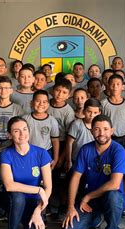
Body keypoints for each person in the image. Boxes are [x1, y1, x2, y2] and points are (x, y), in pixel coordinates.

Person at [62, 115, 125, 229]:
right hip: (92, 202)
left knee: (113, 195)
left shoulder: (118, 150)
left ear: (112, 131)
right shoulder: (86, 149)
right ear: (91, 131)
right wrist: (71, 206)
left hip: (112, 199)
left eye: (105, 129)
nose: (101, 133)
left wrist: (88, 197)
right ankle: (97, 219)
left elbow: (115, 184)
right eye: (97, 129)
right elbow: (75, 177)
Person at [0, 117, 52, 229]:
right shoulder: (6, 154)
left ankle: (23, 217)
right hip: (13, 199)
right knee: (18, 197)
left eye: (24, 129)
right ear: (10, 135)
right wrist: (38, 190)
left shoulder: (41, 153)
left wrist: (38, 210)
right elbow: (9, 185)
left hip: (33, 202)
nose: (22, 134)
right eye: (16, 131)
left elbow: (48, 188)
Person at [0, 76, 24, 224]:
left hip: (12, 146)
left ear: (11, 90)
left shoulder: (17, 108)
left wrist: (11, 144)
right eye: (0, 88)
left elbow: (20, 130)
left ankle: (12, 210)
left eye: (6, 88)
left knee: (13, 179)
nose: (3, 91)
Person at [101, 74, 125, 207]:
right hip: (108, 140)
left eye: (118, 84)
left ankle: (124, 202)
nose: (115, 87)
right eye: (112, 84)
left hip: (123, 139)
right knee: (107, 169)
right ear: (107, 86)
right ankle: (107, 199)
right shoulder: (104, 104)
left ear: (123, 87)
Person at [47, 79, 75, 220]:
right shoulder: (46, 105)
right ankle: (48, 206)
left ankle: (62, 207)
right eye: (57, 90)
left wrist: (62, 157)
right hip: (47, 145)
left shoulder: (68, 111)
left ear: (69, 95)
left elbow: (70, 137)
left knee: (62, 179)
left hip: (62, 145)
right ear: (52, 90)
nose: (59, 94)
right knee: (48, 178)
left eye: (64, 92)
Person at [22, 90, 60, 170]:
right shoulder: (25, 119)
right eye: (38, 101)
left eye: (44, 102)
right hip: (28, 152)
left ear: (48, 104)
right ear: (32, 103)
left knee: (44, 178)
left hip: (46, 153)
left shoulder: (52, 120)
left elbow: (55, 141)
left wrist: (55, 159)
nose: (41, 104)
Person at [64, 98, 102, 173]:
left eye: (95, 112)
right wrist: (69, 161)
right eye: (89, 112)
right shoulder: (77, 124)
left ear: (99, 113)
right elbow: (69, 143)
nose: (92, 115)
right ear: (84, 111)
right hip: (76, 159)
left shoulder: (100, 126)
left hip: (93, 160)